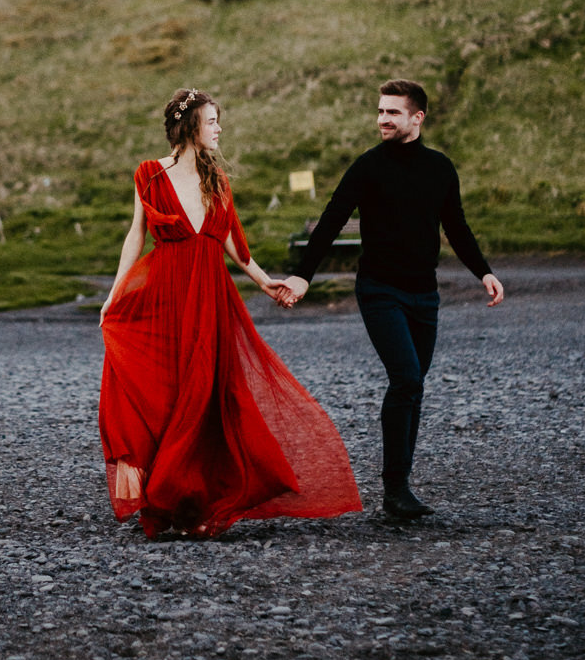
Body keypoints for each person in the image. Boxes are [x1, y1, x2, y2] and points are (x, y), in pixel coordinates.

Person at [98, 87, 361, 539]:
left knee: (209, 396)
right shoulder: (148, 174)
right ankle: (169, 499)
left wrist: (266, 282)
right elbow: (135, 236)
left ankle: (197, 498)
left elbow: (234, 246)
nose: (219, 129)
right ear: (188, 126)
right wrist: (115, 292)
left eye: (219, 121)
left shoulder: (216, 181)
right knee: (169, 393)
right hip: (165, 296)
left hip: (211, 300)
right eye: (212, 121)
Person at [279, 79, 504, 522]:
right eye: (380, 111)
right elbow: (330, 221)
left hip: (425, 293)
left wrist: (484, 271)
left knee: (414, 385)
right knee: (406, 378)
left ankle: (399, 487)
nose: (382, 119)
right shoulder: (368, 167)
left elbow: (456, 226)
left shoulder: (439, 169)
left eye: (392, 113)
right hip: (380, 290)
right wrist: (303, 276)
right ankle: (395, 489)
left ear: (417, 118)